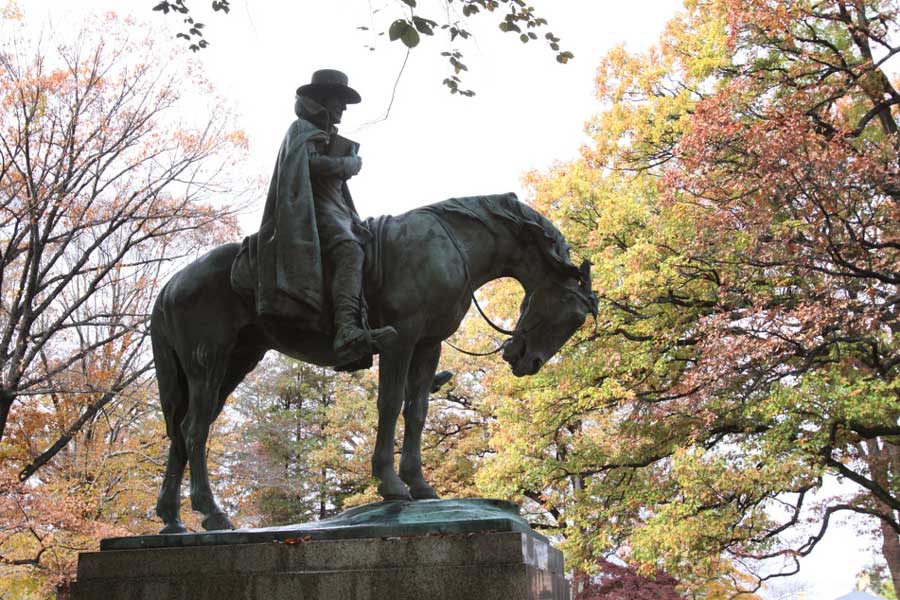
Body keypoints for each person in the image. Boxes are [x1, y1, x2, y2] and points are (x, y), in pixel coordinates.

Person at [255, 69, 397, 368]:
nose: (343, 108)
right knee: (349, 249)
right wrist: (346, 163)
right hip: (313, 212)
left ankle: (399, 352)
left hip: (337, 210)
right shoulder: (301, 128)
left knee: (379, 253)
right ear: (322, 99)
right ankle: (347, 332)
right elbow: (308, 164)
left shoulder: (326, 134)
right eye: (339, 100)